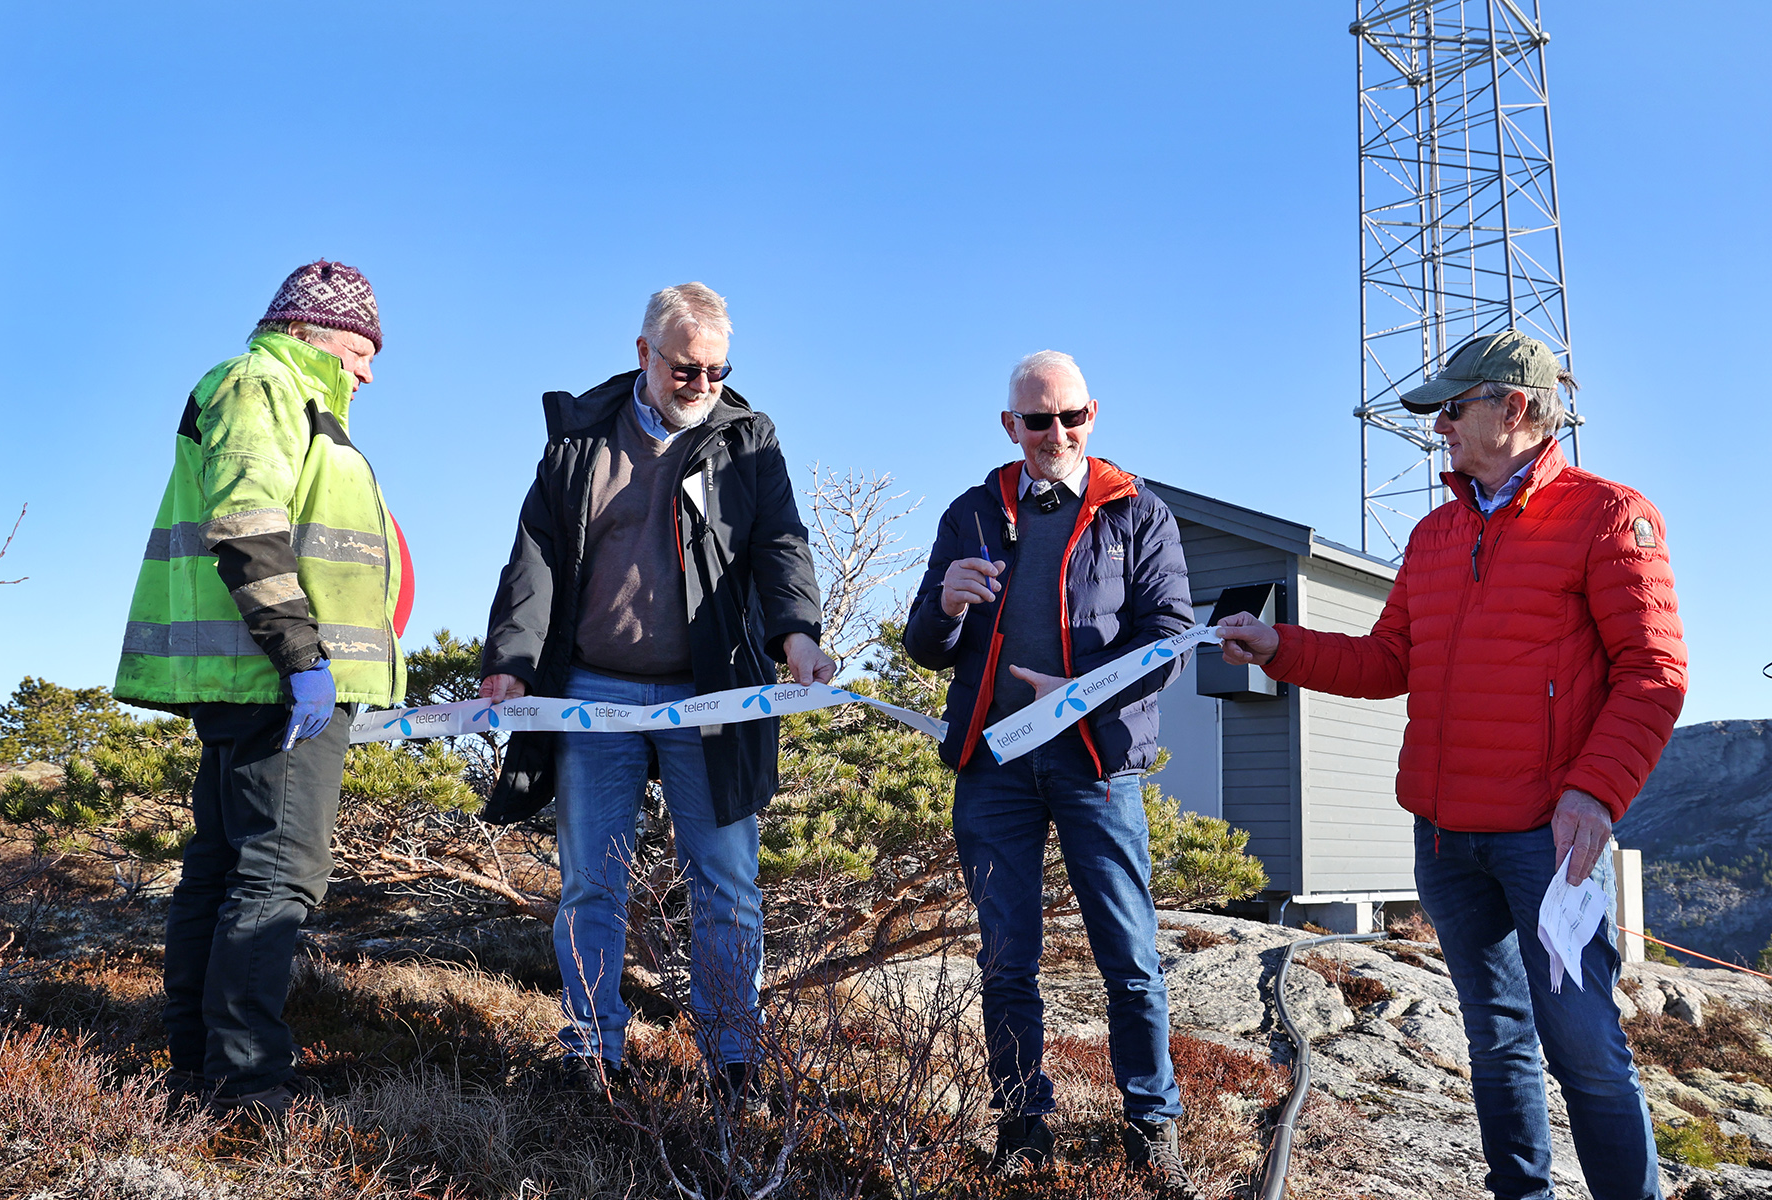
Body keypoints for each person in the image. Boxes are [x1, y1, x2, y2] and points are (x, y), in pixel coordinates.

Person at [1215, 331, 1684, 1200]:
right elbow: (1389, 660)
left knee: (1583, 1049)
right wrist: (1278, 645)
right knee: (1495, 1041)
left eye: (1450, 408)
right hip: (1444, 841)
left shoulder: (1611, 515)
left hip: (1550, 845)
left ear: (1515, 408)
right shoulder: (1433, 535)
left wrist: (1594, 791)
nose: (1436, 427)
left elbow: (1654, 675)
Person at [478, 282, 830, 1098]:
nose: (702, 385)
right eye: (686, 368)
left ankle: (733, 1058)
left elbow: (782, 545)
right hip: (591, 690)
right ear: (644, 354)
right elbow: (532, 556)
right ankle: (592, 1052)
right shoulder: (578, 439)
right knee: (592, 881)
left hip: (712, 696)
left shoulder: (748, 441)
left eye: (717, 369)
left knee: (728, 883)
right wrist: (512, 661)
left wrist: (798, 635)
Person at [114, 260, 411, 1116]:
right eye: (361, 348)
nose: (368, 369)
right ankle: (245, 1087)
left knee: (225, 867)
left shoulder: (294, 395)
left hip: (266, 679)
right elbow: (246, 523)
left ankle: (199, 1069)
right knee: (276, 874)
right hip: (273, 683)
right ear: (316, 333)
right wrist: (302, 661)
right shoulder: (265, 383)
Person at [902, 351, 1197, 1183]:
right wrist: (946, 605)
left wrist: (1080, 694)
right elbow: (925, 646)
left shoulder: (1139, 513)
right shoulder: (970, 512)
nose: (1056, 433)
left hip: (1097, 768)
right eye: (1038, 420)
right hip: (994, 769)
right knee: (1007, 960)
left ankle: (1153, 1127)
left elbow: (1169, 639)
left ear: (1093, 414)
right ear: (1010, 426)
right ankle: (1022, 1124)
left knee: (1130, 957)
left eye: (1070, 416)